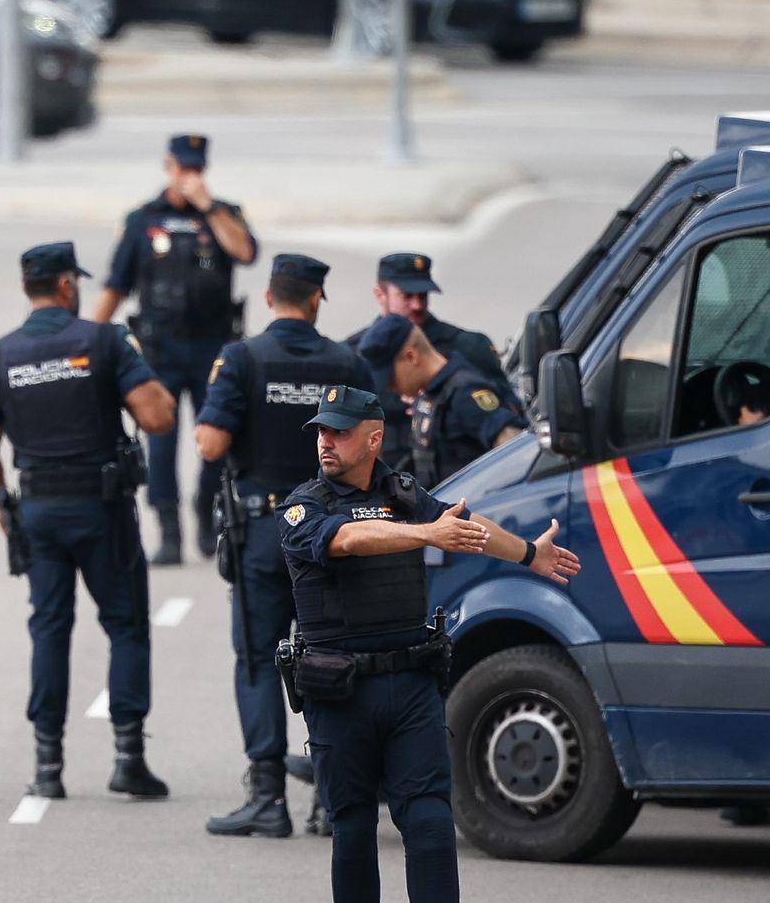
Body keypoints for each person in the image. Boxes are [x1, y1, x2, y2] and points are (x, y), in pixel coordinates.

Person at [282, 385, 579, 902]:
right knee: (352, 827)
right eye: (321, 431)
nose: (326, 441)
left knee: (430, 822)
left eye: (340, 432)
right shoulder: (304, 506)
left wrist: (529, 553)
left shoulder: (402, 494)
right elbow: (347, 540)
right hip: (341, 692)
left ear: (373, 439)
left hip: (410, 687)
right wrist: (425, 535)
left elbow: (460, 522)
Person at [0, 241, 177, 801]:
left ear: (26, 288)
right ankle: (128, 758)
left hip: (38, 510)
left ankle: (47, 766)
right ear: (66, 285)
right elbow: (158, 418)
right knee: (125, 626)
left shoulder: (0, 353)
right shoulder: (103, 341)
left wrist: (2, 506)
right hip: (101, 509)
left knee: (49, 629)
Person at [196, 254, 371, 838]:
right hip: (331, 531)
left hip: (265, 532)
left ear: (270, 298)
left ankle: (268, 797)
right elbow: (373, 447)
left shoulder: (242, 359)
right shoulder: (347, 362)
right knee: (331, 658)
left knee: (257, 659)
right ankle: (332, 797)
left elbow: (210, 444)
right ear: (317, 299)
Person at [94, 133, 258, 565]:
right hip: (160, 348)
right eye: (183, 168)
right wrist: (89, 337)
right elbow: (117, 283)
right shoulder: (143, 219)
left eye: (196, 169)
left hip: (213, 347)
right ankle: (168, 530)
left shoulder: (224, 215)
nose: (189, 177)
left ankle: (206, 509)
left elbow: (245, 252)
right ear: (168, 167)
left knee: (216, 435)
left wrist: (210, 207)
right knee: (161, 442)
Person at [344, 254, 508, 471]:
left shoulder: (467, 346)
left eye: (423, 295)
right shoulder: (353, 354)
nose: (417, 305)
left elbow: (507, 414)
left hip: (458, 476)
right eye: (406, 296)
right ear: (380, 295)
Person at [357, 314, 527, 489]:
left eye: (391, 378)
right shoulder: (431, 395)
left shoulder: (464, 392)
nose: (390, 387)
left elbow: (516, 448)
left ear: (411, 357)